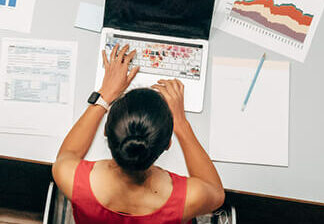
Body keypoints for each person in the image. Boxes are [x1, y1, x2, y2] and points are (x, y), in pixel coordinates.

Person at [52, 45, 227, 223]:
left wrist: (104, 96)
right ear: (168, 144)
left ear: (105, 131)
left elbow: (67, 154)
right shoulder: (187, 199)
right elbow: (216, 193)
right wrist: (181, 124)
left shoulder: (69, 176)